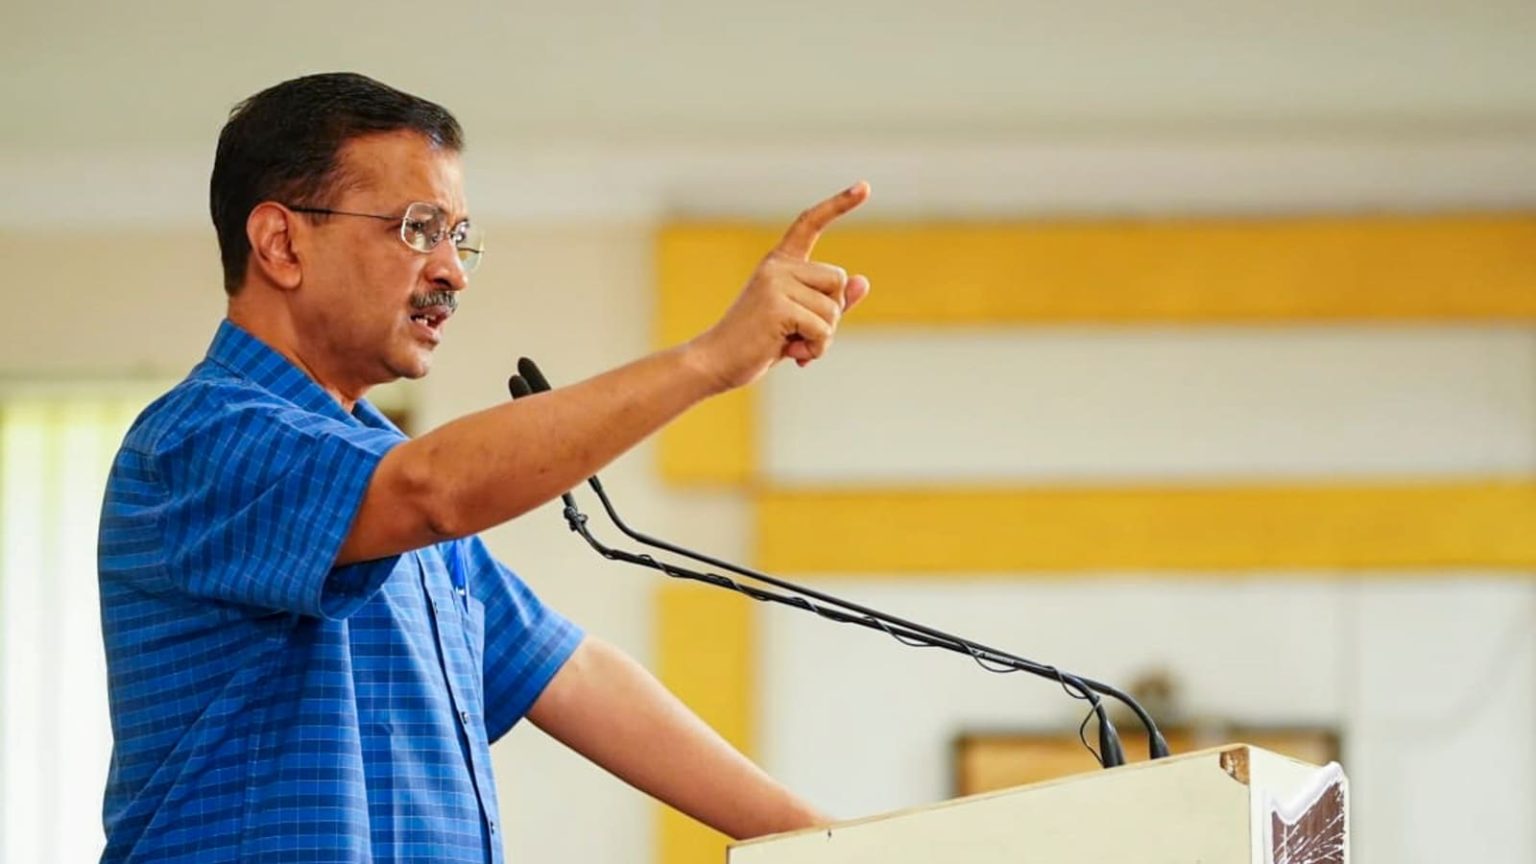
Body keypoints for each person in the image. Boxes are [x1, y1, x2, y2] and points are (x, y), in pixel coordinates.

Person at [96, 72, 871, 864]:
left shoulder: (385, 480)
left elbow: (573, 677)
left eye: (458, 236)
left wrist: (834, 844)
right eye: (419, 229)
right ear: (282, 244)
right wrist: (708, 361)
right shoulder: (201, 441)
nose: (453, 272)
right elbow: (435, 490)